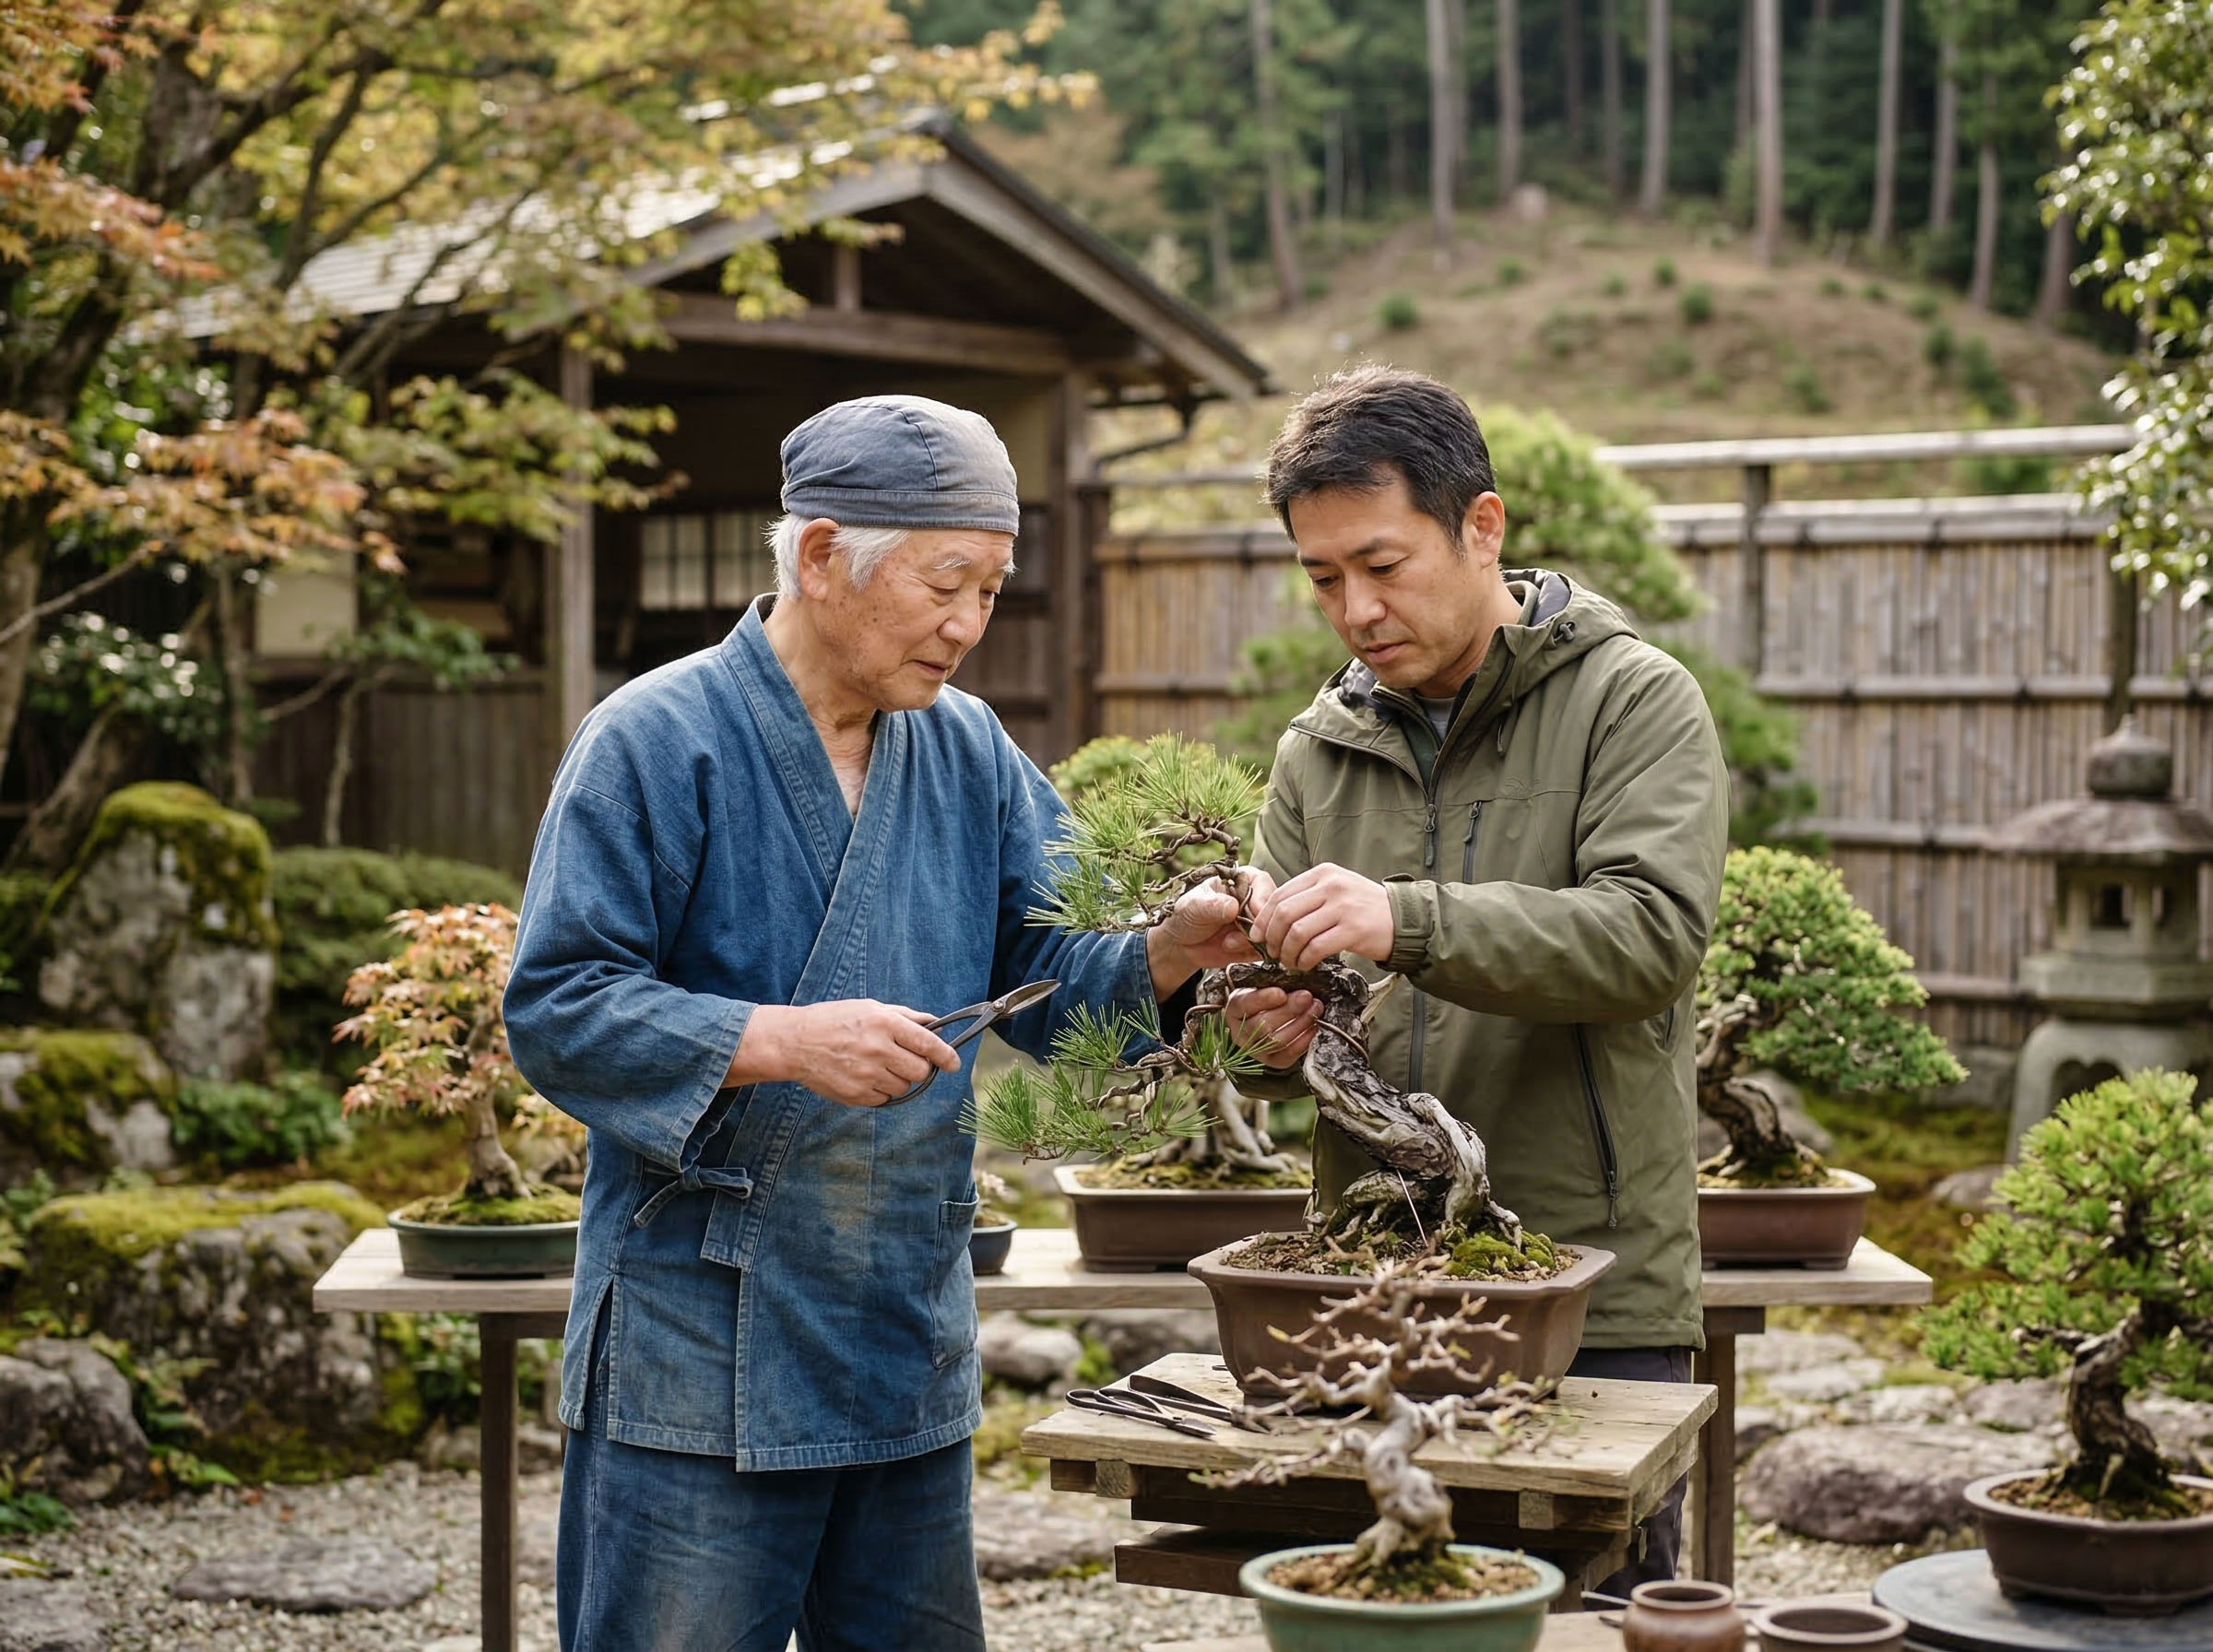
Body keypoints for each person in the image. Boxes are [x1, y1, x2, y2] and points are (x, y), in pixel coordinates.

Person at [503, 395, 1260, 1652]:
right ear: (817, 556)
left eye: (991, 588)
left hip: (901, 1321)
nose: (969, 625)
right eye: (944, 584)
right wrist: (784, 1041)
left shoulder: (966, 749)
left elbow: (1050, 962)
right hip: (703, 1339)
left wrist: (1168, 951)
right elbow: (560, 1003)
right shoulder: (652, 738)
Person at [1224, 365, 1730, 1589]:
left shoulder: (1632, 701)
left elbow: (1650, 934)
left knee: (1586, 1617)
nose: (1353, 607)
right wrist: (1268, 1040)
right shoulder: (1317, 751)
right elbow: (1285, 1038)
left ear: (1482, 525)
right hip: (1373, 1283)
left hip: (1588, 1291)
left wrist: (1404, 918)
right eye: (1322, 577)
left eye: (1383, 565)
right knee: (1384, 1606)